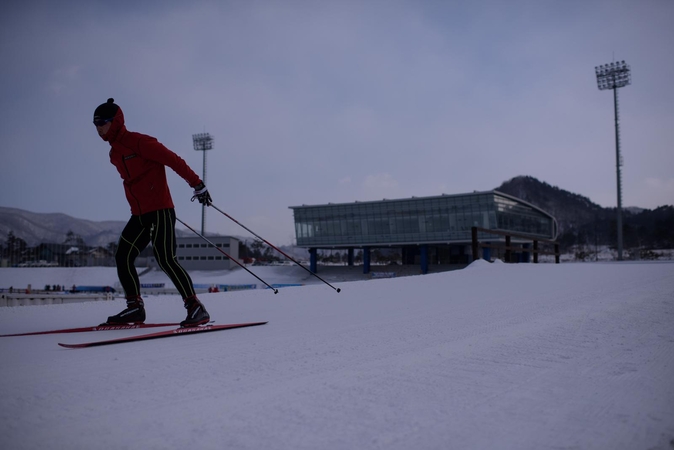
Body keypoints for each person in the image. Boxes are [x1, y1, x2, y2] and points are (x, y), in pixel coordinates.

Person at [93, 98, 212, 327]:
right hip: (139, 215)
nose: (98, 127)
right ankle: (135, 308)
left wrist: (197, 184)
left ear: (115, 121)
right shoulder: (114, 154)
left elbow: (173, 160)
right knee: (123, 256)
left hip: (160, 211)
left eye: (102, 122)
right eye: (95, 123)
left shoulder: (140, 142)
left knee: (166, 258)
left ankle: (196, 307)